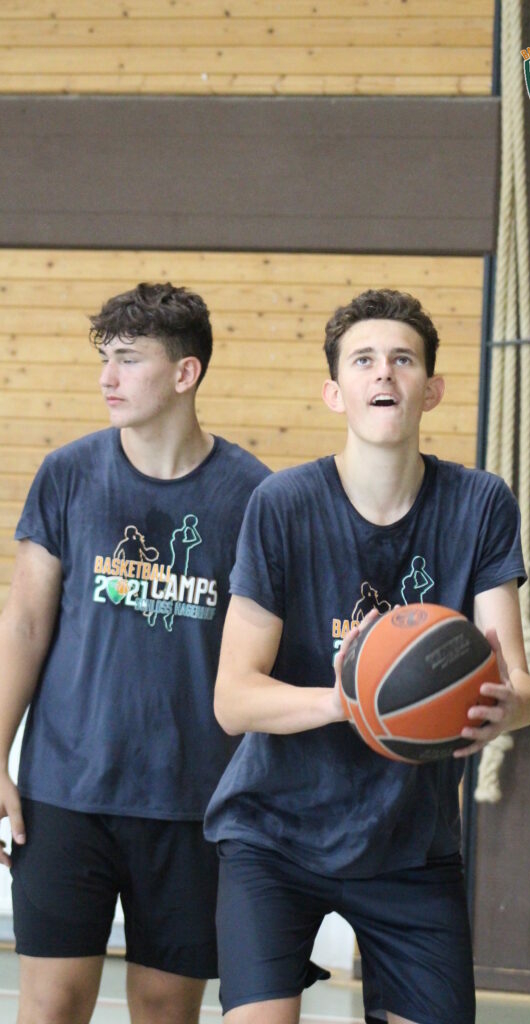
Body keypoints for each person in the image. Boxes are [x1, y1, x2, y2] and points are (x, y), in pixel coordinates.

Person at [204, 288, 530, 1024]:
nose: (383, 372)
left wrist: (505, 710)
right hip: (275, 836)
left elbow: (520, 684)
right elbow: (233, 699)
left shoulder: (480, 502)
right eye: (362, 360)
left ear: (432, 389)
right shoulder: (283, 504)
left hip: (410, 845)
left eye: (402, 359)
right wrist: (348, 700)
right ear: (335, 392)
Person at [0, 282, 272, 1024]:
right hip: (66, 793)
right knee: (51, 1006)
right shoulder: (68, 474)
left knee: (164, 1010)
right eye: (105, 359)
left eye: (127, 359)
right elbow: (24, 623)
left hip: (193, 800)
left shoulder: (254, 495)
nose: (106, 378)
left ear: (185, 373)